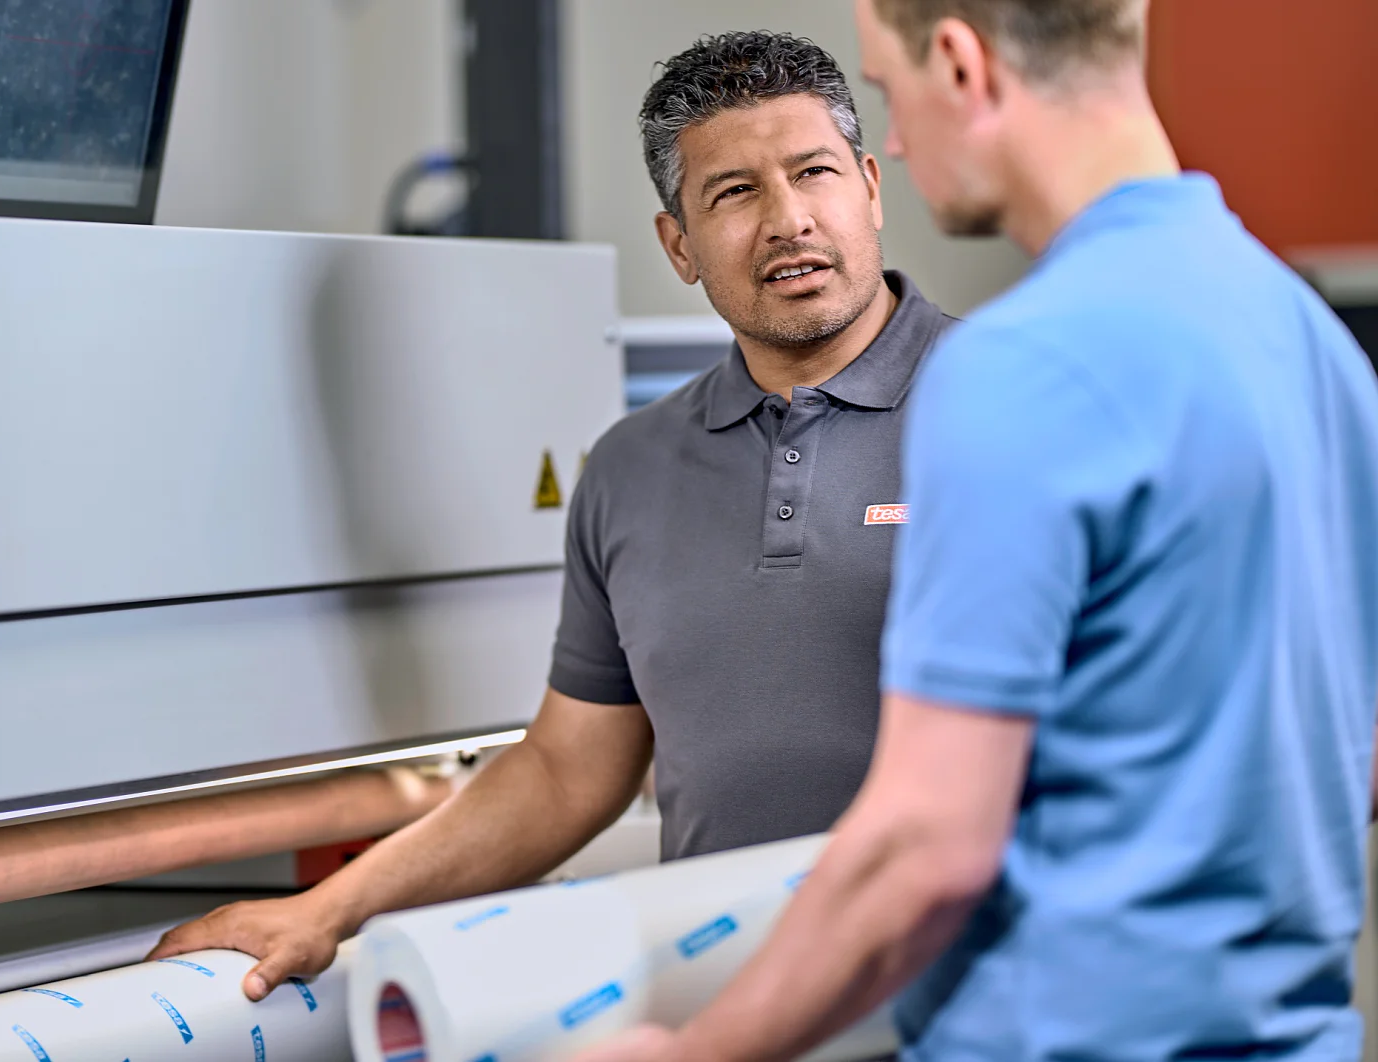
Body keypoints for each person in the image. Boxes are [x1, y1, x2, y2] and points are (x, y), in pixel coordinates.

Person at [577, 1, 1378, 1061]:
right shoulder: (1310, 339)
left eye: (889, 94)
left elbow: (930, 845)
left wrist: (694, 1051)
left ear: (957, 64)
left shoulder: (1016, 368)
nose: (895, 142)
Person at [149, 31, 957, 1000]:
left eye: (812, 173)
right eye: (733, 193)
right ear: (678, 245)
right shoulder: (632, 468)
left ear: (869, 188)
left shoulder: (1014, 404)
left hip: (980, 1008)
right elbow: (568, 770)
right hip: (735, 1009)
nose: (787, 220)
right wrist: (327, 909)